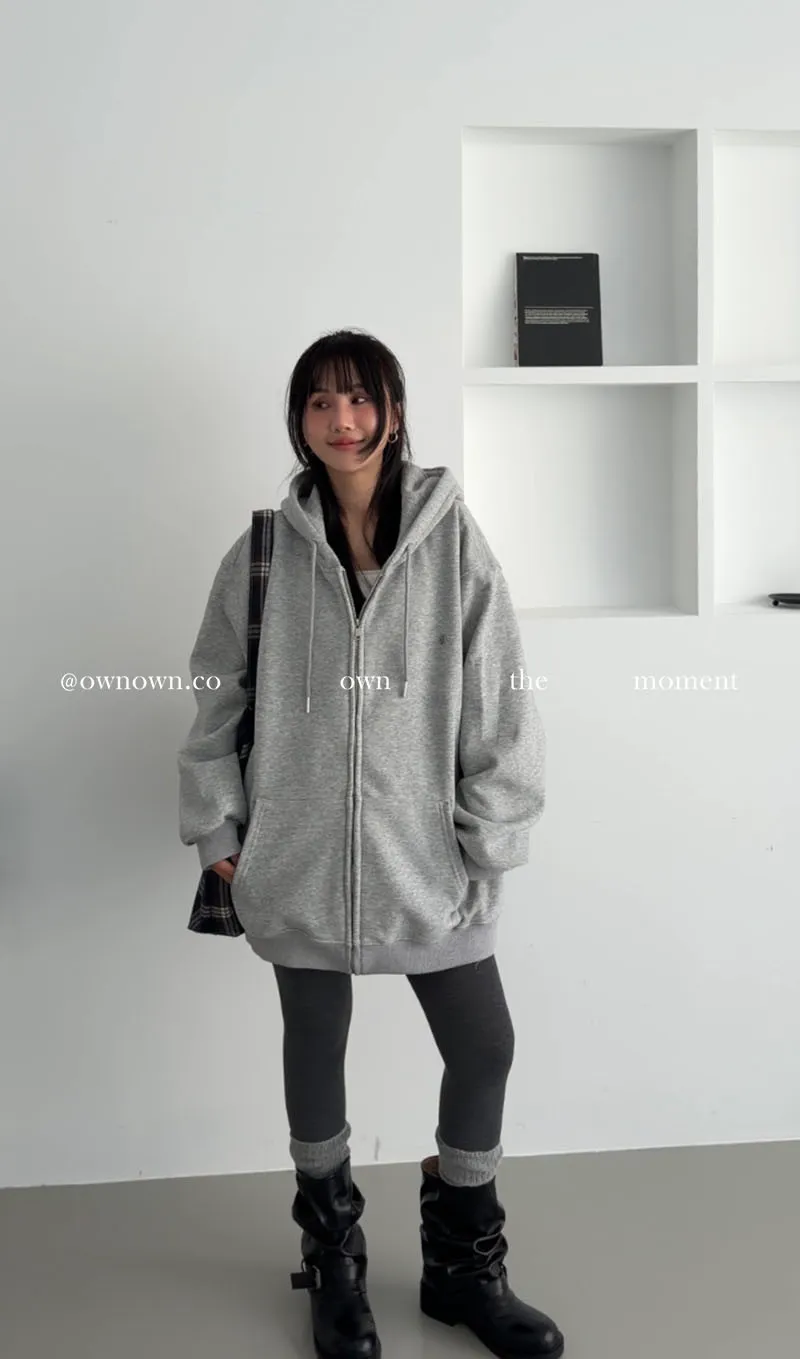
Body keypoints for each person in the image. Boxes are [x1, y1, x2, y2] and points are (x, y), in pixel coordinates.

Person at [177, 328, 564, 1359]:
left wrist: (489, 839)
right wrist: (220, 830)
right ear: (298, 421)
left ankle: (463, 1267)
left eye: (359, 399)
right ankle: (332, 1264)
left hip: (427, 859)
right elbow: (215, 695)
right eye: (319, 401)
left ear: (393, 412)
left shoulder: (452, 544)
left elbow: (501, 699)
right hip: (295, 858)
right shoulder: (263, 553)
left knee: (482, 1046)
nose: (340, 420)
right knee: (314, 1042)